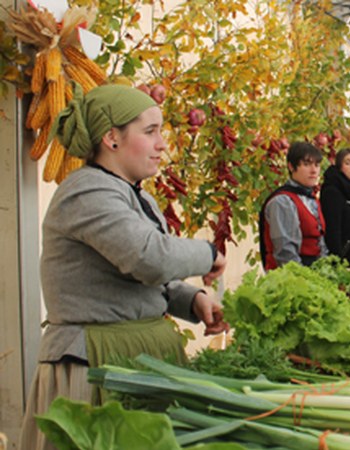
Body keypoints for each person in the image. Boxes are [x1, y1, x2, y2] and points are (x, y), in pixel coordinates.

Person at [20, 84, 228, 450]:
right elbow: (148, 258)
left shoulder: (136, 195)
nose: (162, 143)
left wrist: (192, 298)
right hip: (95, 362)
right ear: (112, 138)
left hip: (134, 354)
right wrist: (209, 253)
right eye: (150, 132)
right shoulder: (85, 191)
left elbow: (144, 278)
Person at [259, 142, 327, 270]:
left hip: (313, 273)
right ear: (291, 166)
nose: (314, 170)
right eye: (306, 164)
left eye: (317, 165)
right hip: (289, 277)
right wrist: (304, 279)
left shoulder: (312, 199)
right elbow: (285, 253)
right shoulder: (282, 201)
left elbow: (320, 242)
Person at [320, 148, 350, 268]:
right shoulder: (332, 191)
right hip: (344, 261)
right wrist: (337, 260)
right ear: (339, 166)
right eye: (348, 163)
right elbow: (332, 229)